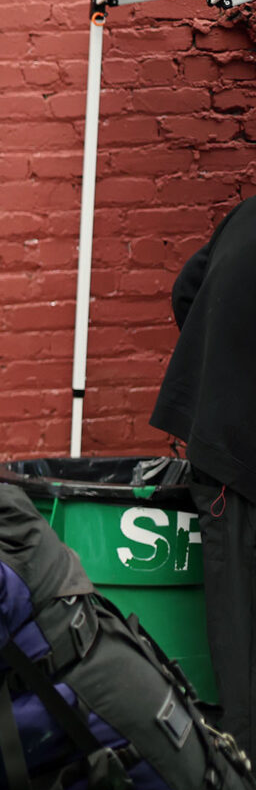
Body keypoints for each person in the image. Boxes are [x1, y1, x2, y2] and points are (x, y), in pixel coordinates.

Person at [152, 195, 256, 753]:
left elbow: (186, 288)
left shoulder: (247, 212)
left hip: (221, 442)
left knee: (238, 623)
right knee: (241, 634)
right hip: (235, 450)